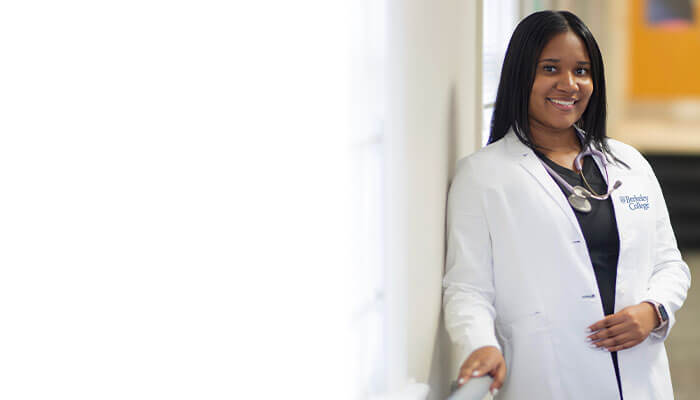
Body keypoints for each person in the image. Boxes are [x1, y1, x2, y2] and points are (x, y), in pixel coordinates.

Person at [442, 10, 690, 400]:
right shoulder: (483, 175)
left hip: (639, 377)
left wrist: (654, 310)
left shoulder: (629, 164)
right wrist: (479, 343)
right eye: (550, 68)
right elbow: (467, 287)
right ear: (521, 75)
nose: (569, 84)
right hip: (547, 377)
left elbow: (670, 264)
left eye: (582, 70)